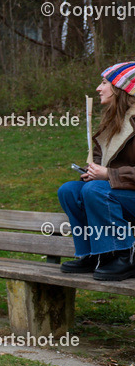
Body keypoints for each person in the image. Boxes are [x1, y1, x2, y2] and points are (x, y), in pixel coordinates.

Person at [58, 62, 135, 281]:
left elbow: (109, 176)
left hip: (120, 192)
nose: (98, 88)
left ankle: (125, 255)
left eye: (104, 83)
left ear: (122, 89)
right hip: (118, 193)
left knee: (95, 190)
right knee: (69, 190)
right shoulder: (112, 122)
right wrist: (92, 171)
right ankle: (93, 254)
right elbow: (104, 164)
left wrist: (107, 175)